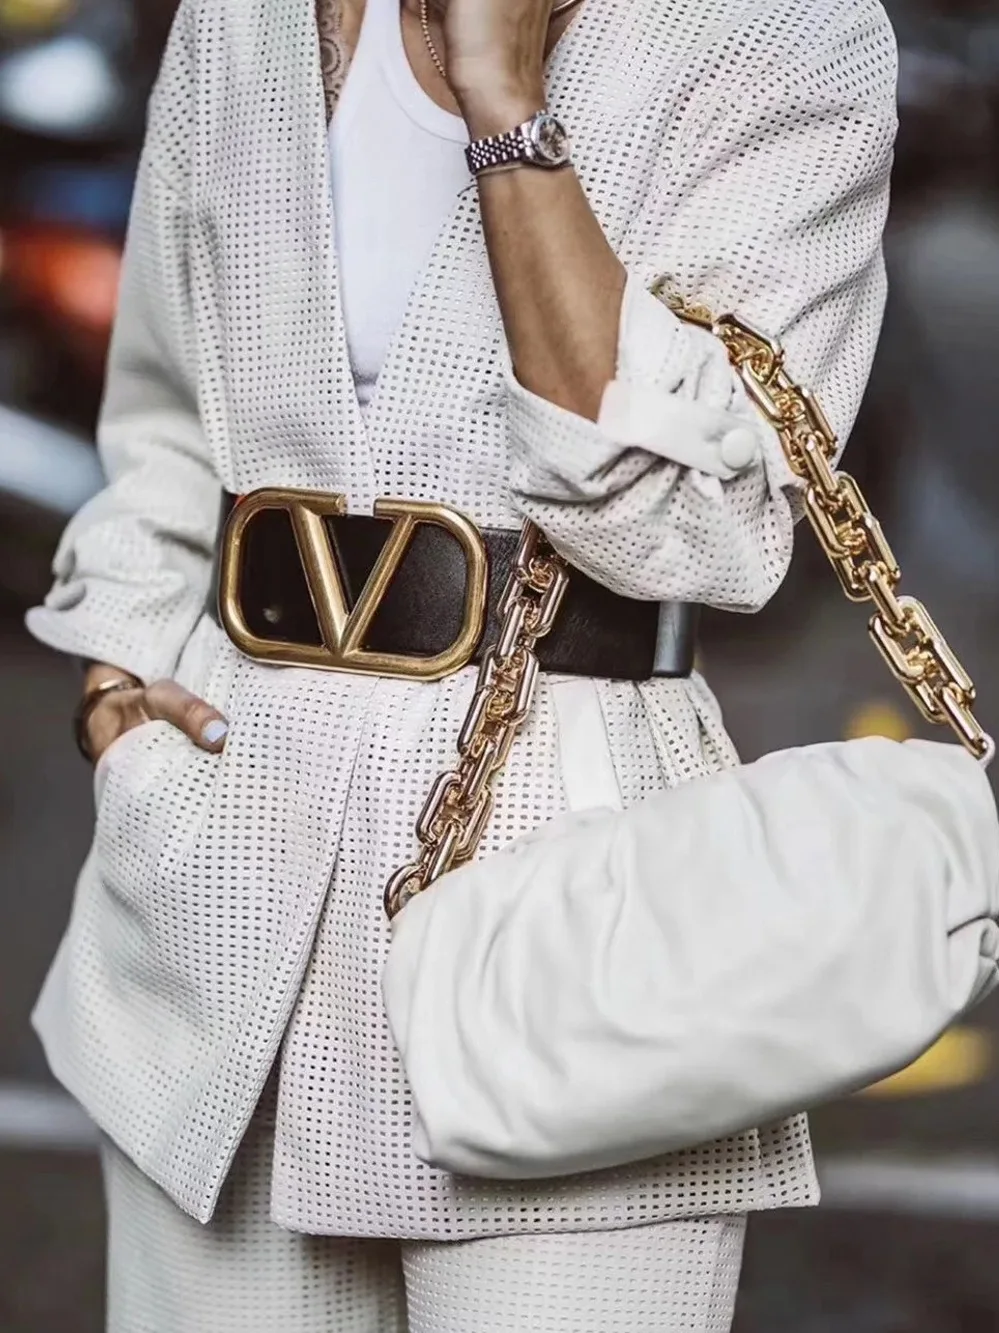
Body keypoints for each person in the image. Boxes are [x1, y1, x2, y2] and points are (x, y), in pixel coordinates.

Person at [25, 0, 897, 1328]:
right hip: (218, 878)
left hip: (571, 919)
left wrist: (508, 112)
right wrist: (118, 679)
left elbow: (704, 529)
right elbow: (165, 407)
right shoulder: (243, 17)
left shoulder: (782, 31)